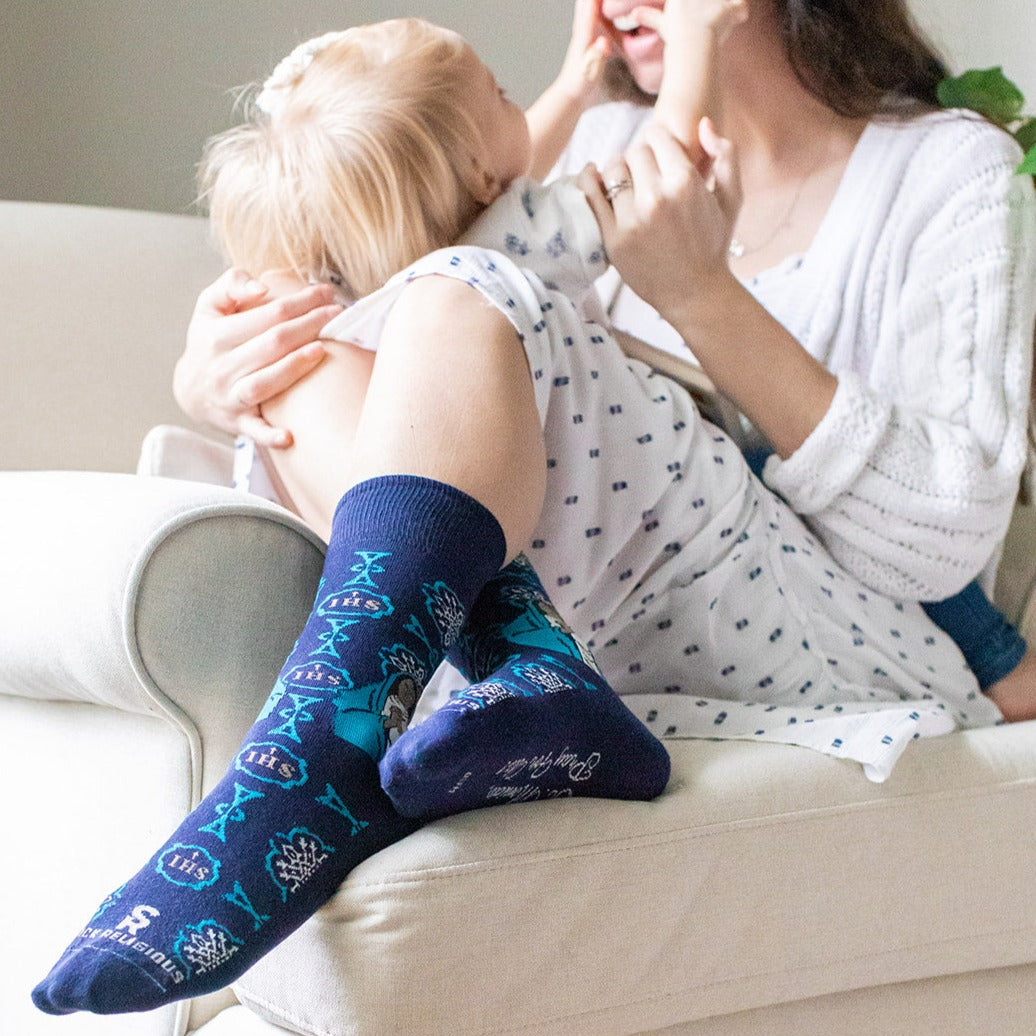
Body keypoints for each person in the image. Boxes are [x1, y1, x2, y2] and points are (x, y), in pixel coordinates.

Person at [30, 4, 746, 1016]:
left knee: (374, 329)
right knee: (299, 366)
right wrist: (698, 38)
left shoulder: (441, 260)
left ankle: (318, 753)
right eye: (504, 95)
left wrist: (576, 85)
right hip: (527, 457)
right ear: (479, 175)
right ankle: (505, 673)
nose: (529, 104)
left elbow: (502, 166)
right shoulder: (502, 238)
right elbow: (654, 163)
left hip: (625, 477)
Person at [175, 0, 1036, 723]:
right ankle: (457, 681)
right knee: (360, 337)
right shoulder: (596, 141)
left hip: (812, 628)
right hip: (581, 616)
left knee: (461, 288)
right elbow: (411, 284)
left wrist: (700, 296)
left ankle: (341, 725)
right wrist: (238, 372)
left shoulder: (948, 170)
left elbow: (939, 546)